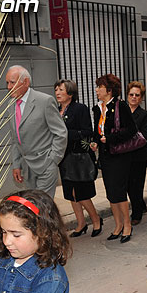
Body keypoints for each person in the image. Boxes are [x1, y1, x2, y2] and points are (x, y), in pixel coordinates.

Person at [6, 65, 67, 197]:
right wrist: (16, 164)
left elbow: (61, 133)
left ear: (26, 82)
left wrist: (53, 160)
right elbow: (15, 138)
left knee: (41, 205)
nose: (9, 87)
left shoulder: (44, 101)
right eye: (7, 83)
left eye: (12, 82)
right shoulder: (11, 105)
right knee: (34, 207)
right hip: (27, 169)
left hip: (46, 164)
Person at [92, 74, 138, 243]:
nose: (97, 90)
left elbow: (131, 129)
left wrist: (110, 139)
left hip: (119, 156)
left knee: (119, 192)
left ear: (109, 90)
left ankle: (127, 225)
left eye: (99, 87)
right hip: (105, 156)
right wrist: (95, 142)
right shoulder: (97, 108)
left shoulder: (121, 106)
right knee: (111, 192)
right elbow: (97, 131)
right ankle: (117, 225)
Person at [54, 79, 102, 238]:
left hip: (78, 156)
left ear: (70, 92)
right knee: (70, 193)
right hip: (63, 157)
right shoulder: (55, 110)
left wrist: (66, 134)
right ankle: (81, 223)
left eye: (61, 90)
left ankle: (96, 220)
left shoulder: (80, 109)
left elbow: (87, 132)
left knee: (81, 192)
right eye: (56, 90)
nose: (58, 93)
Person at [126, 81, 147, 226]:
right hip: (124, 155)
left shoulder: (144, 114)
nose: (134, 97)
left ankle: (136, 213)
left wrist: (126, 139)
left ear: (141, 98)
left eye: (137, 95)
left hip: (139, 155)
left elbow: (145, 135)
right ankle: (140, 205)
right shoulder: (122, 112)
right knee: (128, 184)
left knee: (137, 184)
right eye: (131, 94)